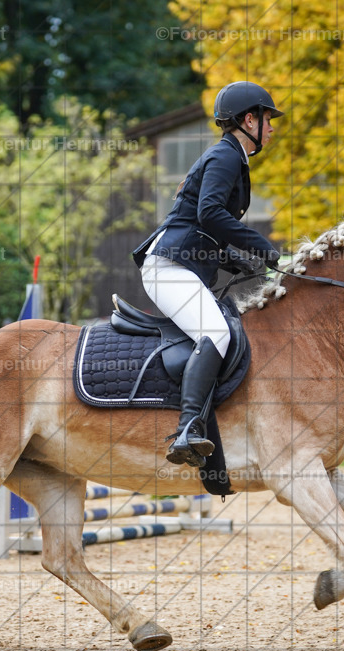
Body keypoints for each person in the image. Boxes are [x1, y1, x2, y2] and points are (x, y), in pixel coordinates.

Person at [131, 80, 282, 468]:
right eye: (268, 119)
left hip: (182, 263)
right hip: (169, 267)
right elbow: (210, 214)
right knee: (215, 332)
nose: (271, 127)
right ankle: (187, 429)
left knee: (222, 328)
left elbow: (207, 224)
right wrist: (263, 248)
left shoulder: (231, 158)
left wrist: (235, 259)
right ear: (249, 119)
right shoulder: (226, 157)